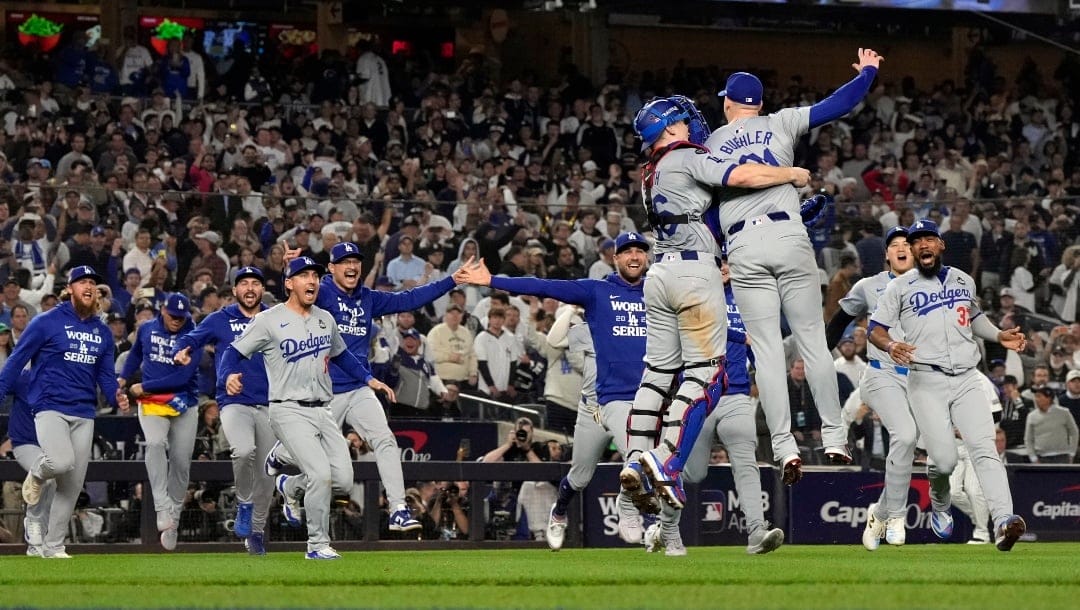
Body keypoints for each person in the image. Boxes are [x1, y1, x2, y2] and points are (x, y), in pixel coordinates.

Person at [707, 52, 884, 486]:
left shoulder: (710, 144)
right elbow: (838, 105)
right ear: (759, 105)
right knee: (811, 342)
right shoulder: (781, 122)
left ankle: (784, 446)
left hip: (744, 245)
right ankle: (835, 436)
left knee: (766, 351)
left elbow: (710, 214)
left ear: (729, 104)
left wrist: (718, 253)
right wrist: (868, 72)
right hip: (789, 236)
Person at [626, 94, 810, 512]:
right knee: (708, 377)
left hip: (660, 274)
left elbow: (710, 218)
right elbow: (741, 177)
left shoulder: (649, 171)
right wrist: (791, 175)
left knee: (656, 376)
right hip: (693, 273)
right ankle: (664, 460)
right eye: (684, 120)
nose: (692, 124)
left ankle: (635, 461)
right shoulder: (686, 155)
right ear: (670, 127)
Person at [455, 231, 652, 548]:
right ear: (614, 259)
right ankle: (559, 511)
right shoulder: (596, 292)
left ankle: (628, 507)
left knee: (638, 455)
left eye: (639, 251)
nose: (633, 256)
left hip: (634, 401)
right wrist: (491, 279)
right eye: (626, 252)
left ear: (646, 257)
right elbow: (543, 286)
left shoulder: (657, 293)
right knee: (580, 477)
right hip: (593, 407)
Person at [268, 242, 468, 534]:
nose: (351, 266)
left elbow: (410, 299)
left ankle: (398, 508)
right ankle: (285, 467)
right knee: (315, 461)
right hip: (324, 392)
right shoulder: (322, 291)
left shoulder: (369, 298)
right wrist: (288, 269)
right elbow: (294, 295)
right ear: (332, 269)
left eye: (355, 261)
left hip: (359, 387)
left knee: (385, 440)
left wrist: (452, 280)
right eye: (344, 261)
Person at [868, 219, 1029, 552]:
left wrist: (998, 335)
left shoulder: (963, 279)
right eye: (916, 241)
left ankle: (1004, 520)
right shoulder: (898, 287)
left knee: (986, 450)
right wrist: (889, 346)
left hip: (967, 376)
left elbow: (973, 318)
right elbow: (876, 329)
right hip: (926, 379)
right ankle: (940, 504)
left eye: (929, 238)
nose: (923, 245)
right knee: (943, 462)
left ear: (940, 244)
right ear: (912, 250)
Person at [220, 256, 368, 560]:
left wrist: (368, 378)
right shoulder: (268, 319)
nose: (311, 280)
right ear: (289, 283)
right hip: (287, 409)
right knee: (320, 474)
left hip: (322, 410)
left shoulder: (325, 318)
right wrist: (227, 377)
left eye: (314, 275)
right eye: (303, 276)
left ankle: (288, 483)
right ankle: (317, 545)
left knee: (343, 480)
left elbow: (341, 356)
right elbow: (233, 353)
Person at [644, 248, 785, 556]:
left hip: (736, 395)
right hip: (698, 395)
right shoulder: (691, 296)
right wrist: (742, 337)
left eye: (727, 262)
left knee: (746, 464)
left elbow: (758, 351)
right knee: (690, 471)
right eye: (718, 261)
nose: (723, 267)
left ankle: (757, 534)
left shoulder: (748, 302)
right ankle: (665, 528)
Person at [0, 266, 128, 559]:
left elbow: (106, 375)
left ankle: (54, 546)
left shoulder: (102, 332)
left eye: (93, 283)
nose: (89, 287)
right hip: (50, 406)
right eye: (82, 282)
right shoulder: (46, 322)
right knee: (60, 462)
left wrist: (115, 395)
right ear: (69, 288)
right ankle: (36, 474)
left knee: (71, 486)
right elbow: (16, 361)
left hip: (85, 411)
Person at [825, 226, 917, 550]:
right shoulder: (868, 286)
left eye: (908, 244)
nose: (902, 248)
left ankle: (879, 512)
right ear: (887, 254)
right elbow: (838, 321)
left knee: (912, 448)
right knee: (905, 437)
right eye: (896, 245)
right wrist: (823, 356)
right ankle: (896, 517)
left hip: (918, 379)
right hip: (881, 374)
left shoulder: (931, 287)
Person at [171, 267, 274, 555]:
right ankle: (243, 502)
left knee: (266, 477)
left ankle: (255, 533)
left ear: (261, 289)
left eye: (256, 283)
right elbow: (191, 337)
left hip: (269, 403)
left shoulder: (274, 318)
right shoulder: (220, 318)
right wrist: (182, 350)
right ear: (235, 290)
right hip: (233, 401)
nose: (250, 288)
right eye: (244, 284)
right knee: (242, 451)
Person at [118, 292, 201, 551]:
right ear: (163, 311)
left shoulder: (193, 336)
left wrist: (144, 385)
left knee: (180, 462)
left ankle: (173, 519)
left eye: (181, 317)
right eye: (173, 316)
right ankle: (162, 506)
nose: (177, 320)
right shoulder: (146, 329)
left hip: (183, 401)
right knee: (154, 443)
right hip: (153, 402)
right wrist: (123, 377)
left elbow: (182, 377)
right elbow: (135, 354)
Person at [8, 370, 55, 556]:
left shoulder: (63, 380)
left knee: (58, 483)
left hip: (53, 445)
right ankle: (33, 523)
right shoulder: (23, 377)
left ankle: (41, 541)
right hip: (25, 443)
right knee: (48, 477)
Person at [1023, 387, 1079, 464]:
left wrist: (1072, 453)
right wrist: (1033, 458)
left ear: (1048, 398)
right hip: (1041, 458)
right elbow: (1028, 439)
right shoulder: (1031, 416)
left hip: (1062, 457)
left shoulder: (1064, 413)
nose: (1036, 399)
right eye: (1035, 396)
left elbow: (1074, 432)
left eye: (1039, 396)